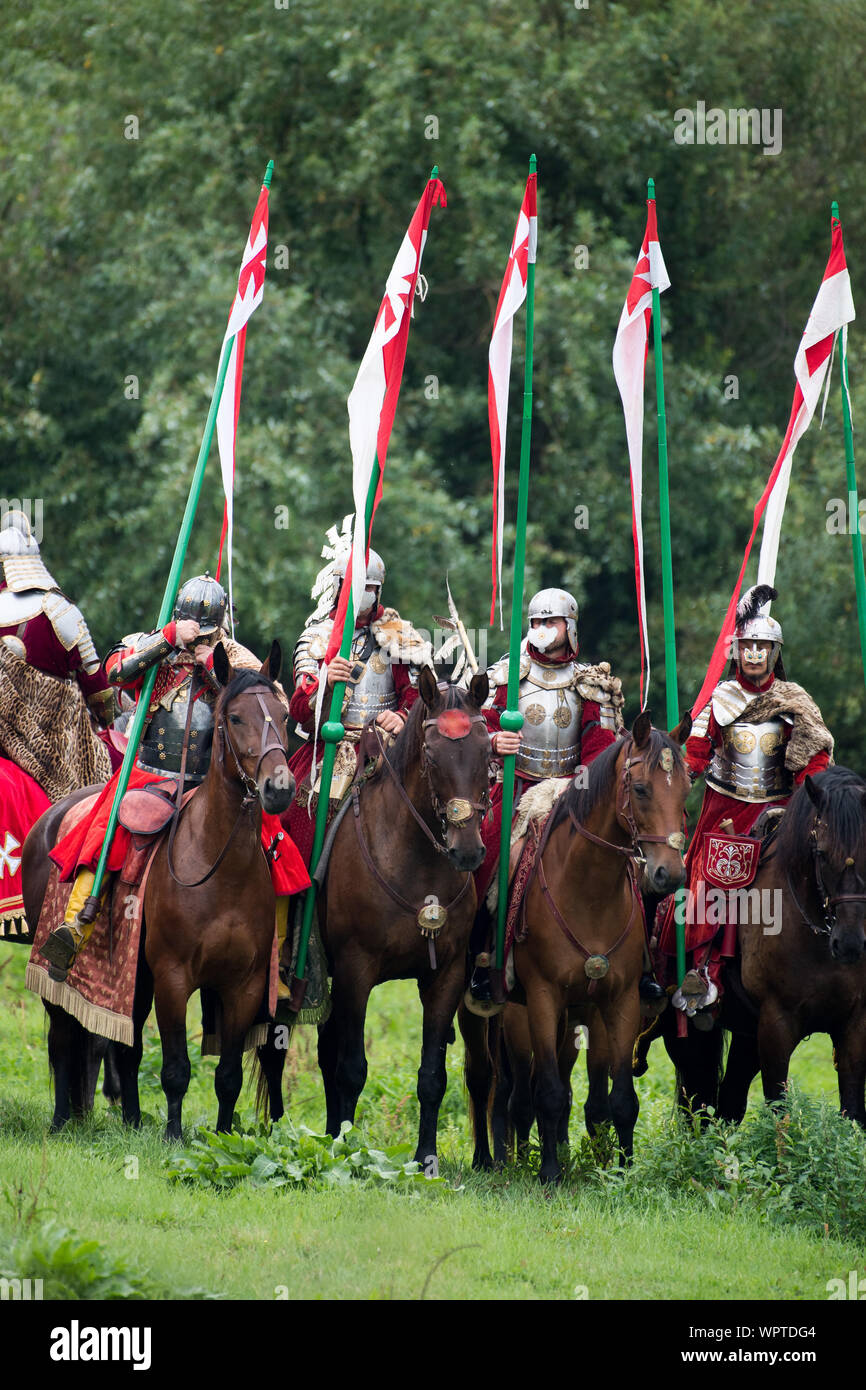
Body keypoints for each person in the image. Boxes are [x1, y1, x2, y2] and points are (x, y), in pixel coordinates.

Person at [43, 573, 308, 987]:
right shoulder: (154, 643)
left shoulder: (234, 655)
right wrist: (169, 638)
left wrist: (214, 665)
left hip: (214, 779)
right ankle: (77, 925)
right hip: (150, 773)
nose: (198, 634)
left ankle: (281, 959)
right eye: (192, 626)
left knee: (278, 845)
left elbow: (268, 698)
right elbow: (115, 672)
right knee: (106, 831)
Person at [659, 584, 833, 1022]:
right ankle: (705, 971)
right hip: (724, 814)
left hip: (778, 812)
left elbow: (813, 759)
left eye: (763, 647)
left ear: (774, 653)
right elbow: (694, 757)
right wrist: (677, 777)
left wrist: (810, 798)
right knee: (707, 891)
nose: (755, 655)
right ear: (736, 651)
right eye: (748, 646)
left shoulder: (796, 704)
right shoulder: (718, 701)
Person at [468, 587, 626, 1003]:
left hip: (574, 789)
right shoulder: (506, 675)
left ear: (569, 627)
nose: (542, 630)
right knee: (489, 850)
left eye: (551, 622)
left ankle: (641, 962)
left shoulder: (591, 684)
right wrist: (493, 740)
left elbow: (601, 743)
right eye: (536, 622)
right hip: (517, 784)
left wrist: (582, 779)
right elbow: (476, 724)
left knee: (626, 856)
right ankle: (480, 956)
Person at [284, 531, 433, 863]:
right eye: (356, 584)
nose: (362, 593)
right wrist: (324, 682)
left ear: (379, 590)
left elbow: (419, 695)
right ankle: (298, 901)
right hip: (333, 747)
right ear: (339, 586)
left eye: (369, 587)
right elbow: (299, 711)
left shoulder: (399, 634)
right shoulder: (318, 635)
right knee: (296, 817)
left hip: (388, 744)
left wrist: (404, 717)